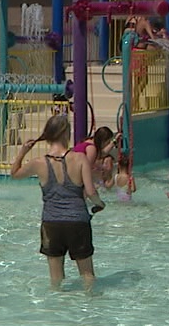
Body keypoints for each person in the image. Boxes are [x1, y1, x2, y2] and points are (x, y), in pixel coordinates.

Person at [10, 114, 103, 292]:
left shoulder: (39, 163)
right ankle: (92, 311)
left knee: (56, 279)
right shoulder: (79, 158)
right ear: (66, 133)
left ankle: (55, 314)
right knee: (87, 274)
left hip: (51, 223)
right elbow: (91, 192)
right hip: (78, 221)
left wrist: (23, 152)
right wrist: (101, 204)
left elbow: (14, 174)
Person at [72, 127, 121, 192]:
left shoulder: (90, 142)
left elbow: (102, 153)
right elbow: (86, 170)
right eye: (108, 142)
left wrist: (114, 141)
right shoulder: (91, 148)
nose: (107, 144)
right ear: (103, 141)